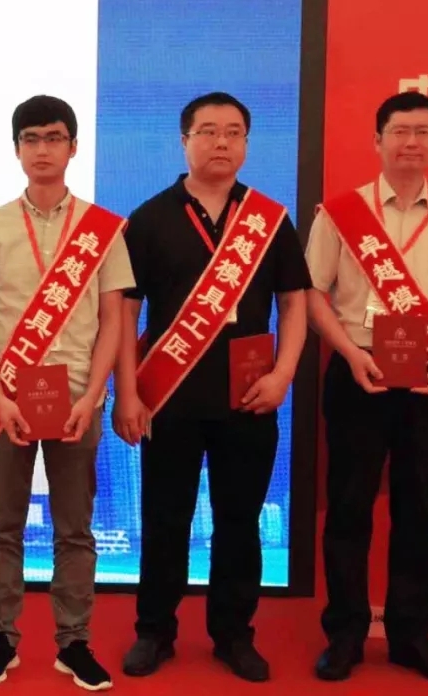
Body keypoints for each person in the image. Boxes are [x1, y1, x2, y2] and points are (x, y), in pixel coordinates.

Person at [112, 92, 310, 683]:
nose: (220, 142)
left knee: (239, 522)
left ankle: (233, 635)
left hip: (250, 397)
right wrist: (128, 393)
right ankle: (155, 631)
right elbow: (124, 314)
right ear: (184, 141)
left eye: (233, 132)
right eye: (207, 131)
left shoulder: (269, 220)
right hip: (168, 398)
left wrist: (283, 374)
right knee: (165, 520)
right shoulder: (150, 218)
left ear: (246, 143)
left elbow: (293, 304)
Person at [0, 95, 132, 690]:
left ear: (73, 147)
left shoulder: (103, 229)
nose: (42, 149)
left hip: (78, 399)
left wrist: (94, 395)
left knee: (74, 529)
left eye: (54, 138)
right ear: (17, 149)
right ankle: (1, 640)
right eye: (31, 138)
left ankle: (74, 642)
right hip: (9, 398)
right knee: (2, 526)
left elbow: (113, 321)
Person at [305, 90, 428, 683]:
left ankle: (411, 634)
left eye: (422, 132)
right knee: (349, 507)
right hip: (358, 371)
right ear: (377, 140)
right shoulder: (341, 214)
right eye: (399, 132)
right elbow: (313, 292)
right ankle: (346, 634)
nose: (411, 143)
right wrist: (349, 352)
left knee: (418, 510)